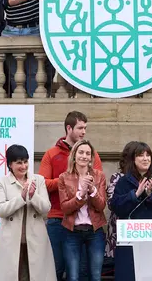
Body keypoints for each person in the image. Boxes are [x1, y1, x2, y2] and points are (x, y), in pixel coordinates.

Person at [39, 111, 102, 281]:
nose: (84, 132)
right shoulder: (51, 154)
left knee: (80, 272)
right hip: (57, 219)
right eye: (80, 128)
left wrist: (80, 184)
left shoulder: (91, 154)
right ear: (69, 128)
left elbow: (98, 182)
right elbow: (42, 184)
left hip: (83, 222)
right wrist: (66, 181)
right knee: (56, 269)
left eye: (85, 128)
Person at [111, 141, 152, 281]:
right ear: (133, 159)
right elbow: (117, 207)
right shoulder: (124, 182)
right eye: (141, 155)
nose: (145, 158)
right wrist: (136, 194)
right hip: (131, 239)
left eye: (148, 155)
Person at [0, 144, 54, 281]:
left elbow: (46, 209)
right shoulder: (1, 183)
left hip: (36, 240)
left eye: (25, 161)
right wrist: (21, 198)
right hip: (11, 242)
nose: (23, 166)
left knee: (36, 276)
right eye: (18, 163)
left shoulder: (38, 180)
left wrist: (33, 196)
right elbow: (0, 210)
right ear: (10, 164)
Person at [0, 0, 48, 96]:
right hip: (11, 31)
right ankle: (20, 105)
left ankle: (35, 105)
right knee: (15, 73)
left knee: (35, 72)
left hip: (35, 28)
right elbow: (7, 0)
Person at [59, 140, 107, 281]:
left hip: (95, 231)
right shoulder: (63, 177)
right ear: (74, 155)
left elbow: (101, 206)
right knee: (73, 276)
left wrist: (92, 190)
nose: (84, 156)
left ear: (91, 158)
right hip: (71, 231)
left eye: (88, 153)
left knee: (96, 276)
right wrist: (80, 195)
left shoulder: (99, 176)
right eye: (81, 152)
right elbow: (65, 208)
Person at [105, 141, 139, 271]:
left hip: (141, 230)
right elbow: (111, 203)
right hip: (120, 230)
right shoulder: (117, 177)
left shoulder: (147, 177)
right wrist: (134, 195)